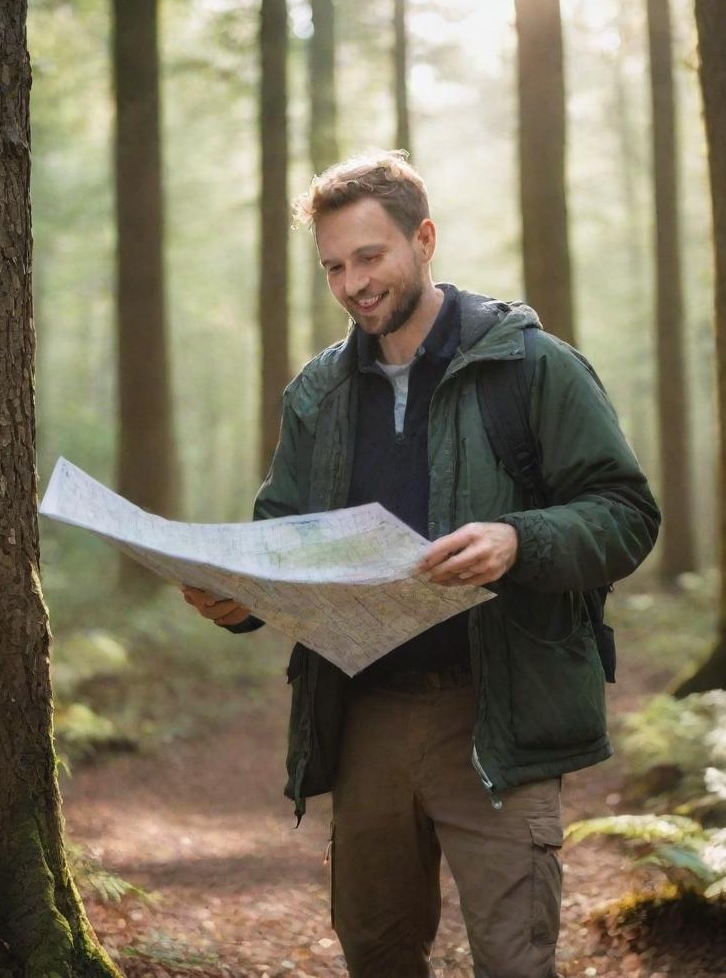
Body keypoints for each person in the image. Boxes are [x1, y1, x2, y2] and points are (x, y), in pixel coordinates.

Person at [182, 151, 660, 978]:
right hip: (363, 717)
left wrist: (519, 540)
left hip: (497, 716)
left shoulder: (530, 365)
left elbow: (626, 514)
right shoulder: (318, 394)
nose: (353, 283)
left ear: (424, 239)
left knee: (513, 958)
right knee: (376, 951)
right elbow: (283, 534)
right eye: (334, 266)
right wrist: (242, 600)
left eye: (370, 257)